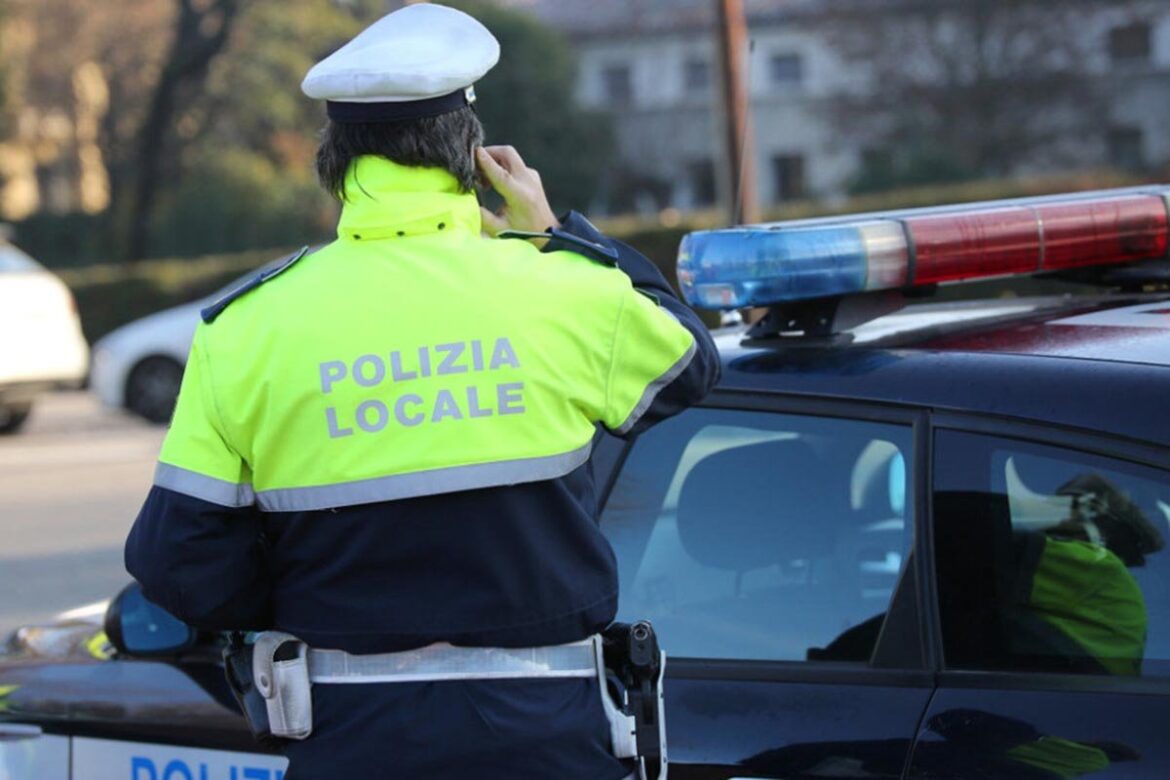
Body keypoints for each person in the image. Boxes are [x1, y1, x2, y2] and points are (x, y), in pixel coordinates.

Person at [123, 4, 720, 779]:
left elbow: (178, 562)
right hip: (547, 736)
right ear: (471, 157)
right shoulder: (559, 290)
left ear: (334, 160)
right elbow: (689, 363)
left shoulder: (246, 327)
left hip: (351, 737)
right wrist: (557, 236)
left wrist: (312, 598)